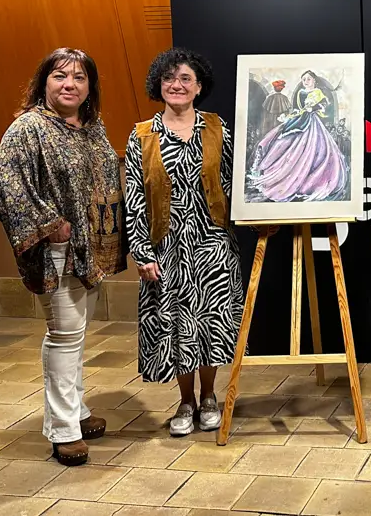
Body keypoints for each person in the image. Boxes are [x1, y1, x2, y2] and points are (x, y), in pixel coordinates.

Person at [0, 48, 128, 466]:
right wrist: (50, 222)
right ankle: (63, 430)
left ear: (91, 87)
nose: (70, 84)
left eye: (80, 77)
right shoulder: (29, 128)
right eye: (60, 76)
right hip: (56, 248)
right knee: (65, 332)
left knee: (77, 332)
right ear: (44, 82)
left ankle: (76, 412)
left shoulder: (92, 128)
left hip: (90, 248)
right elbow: (3, 182)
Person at [124, 47, 244, 437]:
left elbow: (235, 182)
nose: (176, 85)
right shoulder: (141, 135)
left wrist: (255, 216)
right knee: (176, 326)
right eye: (168, 79)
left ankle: (209, 397)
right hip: (166, 248)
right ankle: (185, 401)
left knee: (210, 323)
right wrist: (141, 251)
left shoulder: (218, 128)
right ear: (158, 85)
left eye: (185, 79)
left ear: (199, 86)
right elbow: (134, 196)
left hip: (212, 244)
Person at [248, 70, 348, 203]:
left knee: (315, 149)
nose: (305, 82)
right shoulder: (301, 93)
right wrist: (289, 116)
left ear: (314, 81)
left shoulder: (318, 92)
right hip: (299, 119)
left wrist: (314, 108)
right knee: (283, 142)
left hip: (312, 122)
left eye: (308, 79)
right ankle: (279, 174)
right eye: (303, 80)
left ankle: (310, 180)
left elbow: (324, 103)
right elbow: (298, 108)